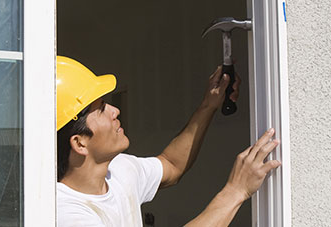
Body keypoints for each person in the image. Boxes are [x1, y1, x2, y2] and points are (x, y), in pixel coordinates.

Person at [56, 56, 281, 226]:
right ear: (80, 143)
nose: (114, 110)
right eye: (102, 108)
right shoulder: (66, 214)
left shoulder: (118, 170)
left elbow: (172, 164)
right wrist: (236, 191)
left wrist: (209, 104)